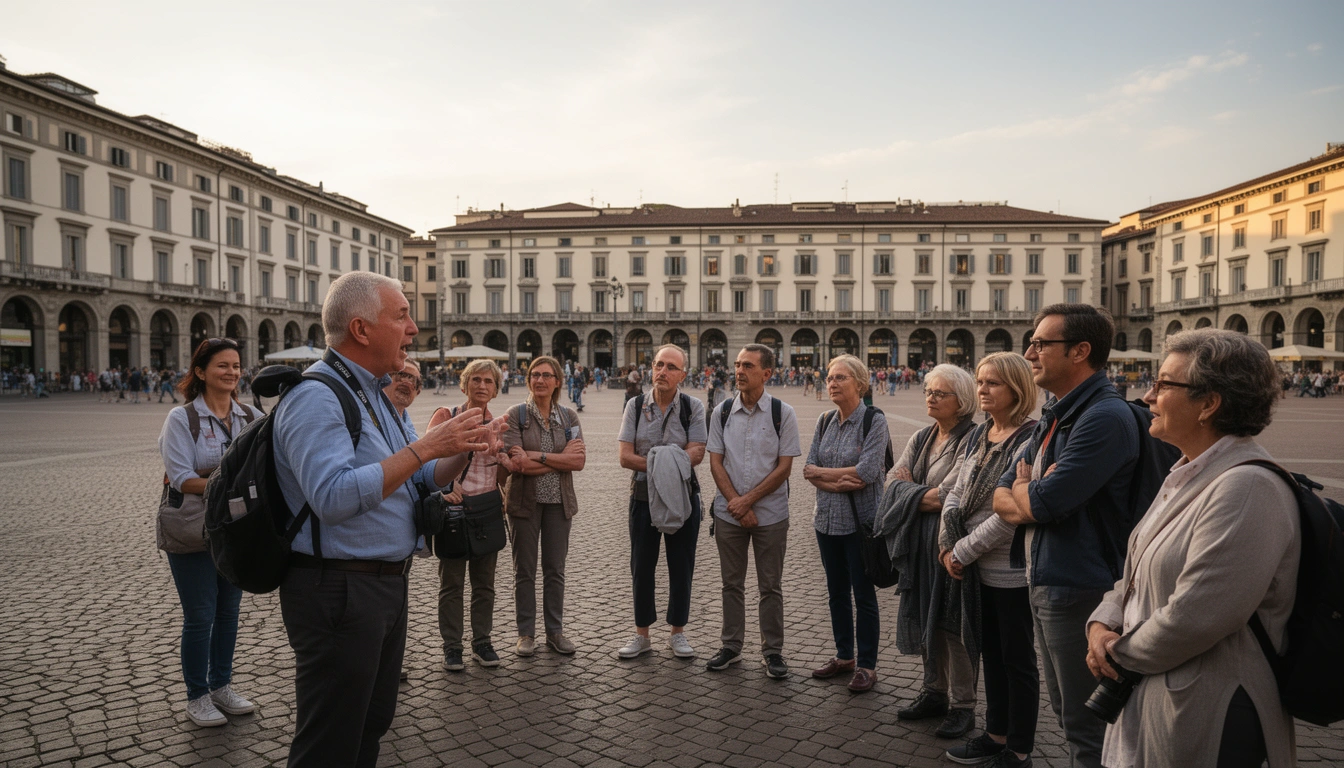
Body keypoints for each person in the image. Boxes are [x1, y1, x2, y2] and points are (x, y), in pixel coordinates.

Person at [272, 271, 497, 768]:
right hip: (338, 589)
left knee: (371, 724)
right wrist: (425, 448)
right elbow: (332, 497)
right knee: (330, 741)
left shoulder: (376, 395)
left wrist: (462, 449)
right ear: (361, 329)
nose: (414, 328)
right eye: (402, 316)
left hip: (383, 585)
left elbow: (420, 479)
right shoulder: (317, 397)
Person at [1086, 329, 1298, 768]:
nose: (1148, 396)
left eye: (1164, 384)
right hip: (1156, 693)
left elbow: (1197, 616)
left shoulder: (1246, 487)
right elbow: (1135, 572)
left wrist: (1114, 652)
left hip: (1207, 706)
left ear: (1209, 403)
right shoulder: (1187, 473)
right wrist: (1102, 622)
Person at [992, 304, 1142, 768]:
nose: (1029, 353)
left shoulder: (1103, 417)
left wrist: (1026, 491)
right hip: (1046, 577)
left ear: (1080, 351)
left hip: (1080, 586)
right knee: (1065, 712)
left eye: (1041, 343)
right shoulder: (1058, 413)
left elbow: (1041, 504)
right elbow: (1001, 494)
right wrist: (1027, 490)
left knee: (1086, 728)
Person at [937, 353, 1040, 767]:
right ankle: (995, 735)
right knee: (991, 656)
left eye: (992, 383)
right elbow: (956, 493)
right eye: (980, 381)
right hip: (975, 567)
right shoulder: (981, 434)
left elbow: (1013, 514)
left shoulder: (1030, 440)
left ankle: (1019, 749)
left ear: (1017, 388)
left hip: (1011, 572)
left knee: (1018, 661)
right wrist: (948, 542)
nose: (982, 389)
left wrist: (962, 550)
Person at [157, 337, 262, 728]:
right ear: (200, 372)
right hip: (193, 528)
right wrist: (235, 485)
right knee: (201, 615)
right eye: (222, 365)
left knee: (228, 612)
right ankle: (197, 695)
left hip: (235, 529)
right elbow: (182, 478)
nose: (232, 372)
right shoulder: (181, 419)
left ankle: (221, 686)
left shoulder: (251, 416)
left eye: (236, 365)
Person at [879, 363, 980, 739]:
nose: (930, 398)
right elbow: (891, 481)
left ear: (962, 400)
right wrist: (915, 493)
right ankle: (934, 691)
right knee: (926, 617)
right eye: (928, 391)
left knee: (954, 625)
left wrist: (908, 492)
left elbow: (951, 496)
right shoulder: (922, 436)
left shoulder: (973, 439)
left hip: (951, 547)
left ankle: (963, 705)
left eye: (940, 393)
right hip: (918, 546)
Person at [705, 344, 801, 679]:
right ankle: (731, 646)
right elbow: (715, 463)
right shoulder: (721, 412)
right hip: (728, 514)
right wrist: (736, 503)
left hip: (770, 515)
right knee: (731, 584)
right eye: (737, 365)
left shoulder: (782, 413)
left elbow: (784, 468)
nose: (739, 371)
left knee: (770, 586)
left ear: (767, 373)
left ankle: (772, 651)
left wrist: (747, 501)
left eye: (748, 366)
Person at [802, 355, 889, 693]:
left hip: (859, 525)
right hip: (825, 521)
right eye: (829, 378)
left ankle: (867, 665)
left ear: (860, 383)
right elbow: (808, 469)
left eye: (840, 378)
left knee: (863, 595)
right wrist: (838, 481)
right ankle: (844, 656)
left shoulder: (873, 421)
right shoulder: (825, 420)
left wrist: (824, 475)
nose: (832, 383)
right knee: (836, 593)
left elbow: (867, 471)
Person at [616, 344, 707, 659]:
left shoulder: (693, 407)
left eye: (671, 367)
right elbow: (625, 456)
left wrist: (655, 460)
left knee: (681, 566)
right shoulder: (635, 406)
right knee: (641, 567)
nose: (662, 372)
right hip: (642, 496)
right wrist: (668, 461)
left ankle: (677, 633)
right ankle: (642, 634)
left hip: (683, 497)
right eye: (658, 365)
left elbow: (698, 451)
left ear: (682, 374)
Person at [429, 359, 512, 672]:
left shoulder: (499, 424)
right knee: (451, 583)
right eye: (475, 379)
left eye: (488, 381)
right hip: (454, 509)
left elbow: (499, 472)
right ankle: (452, 647)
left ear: (496, 389)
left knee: (484, 584)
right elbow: (428, 458)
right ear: (464, 385)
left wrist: (506, 462)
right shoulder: (446, 415)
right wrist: (447, 483)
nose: (481, 386)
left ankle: (482, 642)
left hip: (486, 508)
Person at [503, 354, 585, 657]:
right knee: (524, 570)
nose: (540, 380)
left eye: (546, 375)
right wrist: (559, 460)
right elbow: (517, 464)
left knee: (555, 570)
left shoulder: (569, 417)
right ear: (528, 380)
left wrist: (538, 456)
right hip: (524, 502)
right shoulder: (516, 415)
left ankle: (555, 632)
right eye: (535, 375)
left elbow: (578, 461)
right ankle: (525, 633)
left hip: (559, 503)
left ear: (557, 382)